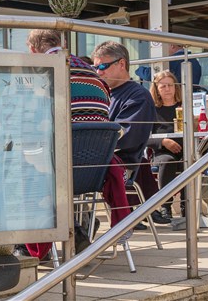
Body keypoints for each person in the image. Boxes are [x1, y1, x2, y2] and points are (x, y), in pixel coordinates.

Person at [20, 29, 126, 258]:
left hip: (59, 168)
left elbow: (28, 121)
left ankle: (30, 244)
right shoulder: (93, 74)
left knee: (20, 169)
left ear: (32, 50)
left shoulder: (42, 73)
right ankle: (76, 231)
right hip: (94, 170)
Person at [92, 42, 159, 224]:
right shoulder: (101, 94)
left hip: (120, 164)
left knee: (63, 173)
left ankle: (79, 225)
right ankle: (77, 225)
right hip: (95, 161)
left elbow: (126, 137)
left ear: (122, 64)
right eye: (95, 67)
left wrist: (90, 142)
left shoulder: (138, 96)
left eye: (103, 66)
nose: (99, 72)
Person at [148, 70, 184, 226]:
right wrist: (163, 141)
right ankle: (165, 206)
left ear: (176, 87)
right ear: (156, 89)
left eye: (170, 85)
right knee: (168, 162)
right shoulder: (151, 110)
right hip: (161, 152)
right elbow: (143, 137)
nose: (168, 89)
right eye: (163, 86)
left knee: (192, 162)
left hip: (186, 150)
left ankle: (188, 206)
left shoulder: (185, 106)